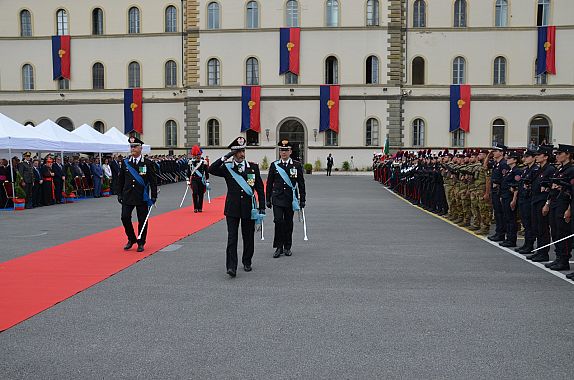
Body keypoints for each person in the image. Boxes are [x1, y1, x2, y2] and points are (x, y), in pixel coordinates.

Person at [208, 136, 265, 277]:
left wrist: (262, 207)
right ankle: (231, 266)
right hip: (232, 209)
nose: (241, 154)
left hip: (249, 208)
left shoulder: (253, 167)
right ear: (233, 153)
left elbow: (259, 187)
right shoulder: (227, 168)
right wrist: (225, 157)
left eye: (243, 151)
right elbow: (211, 169)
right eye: (238, 151)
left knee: (248, 236)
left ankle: (247, 261)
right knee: (232, 238)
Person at [266, 139, 307, 258]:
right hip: (277, 198)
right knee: (278, 221)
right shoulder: (274, 165)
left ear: (290, 151)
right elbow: (269, 183)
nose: (283, 152)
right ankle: (279, 247)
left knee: (288, 223)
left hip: (290, 199)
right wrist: (267, 198)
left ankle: (287, 246)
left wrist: (302, 199)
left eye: (286, 150)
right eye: (281, 150)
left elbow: (301, 183)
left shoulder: (296, 165)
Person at [117, 136, 158, 253]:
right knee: (124, 217)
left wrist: (153, 196)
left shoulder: (147, 163)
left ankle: (141, 241)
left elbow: (153, 181)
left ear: (141, 148)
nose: (133, 148)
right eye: (131, 146)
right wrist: (119, 194)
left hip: (142, 196)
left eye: (135, 146)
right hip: (127, 195)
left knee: (142, 220)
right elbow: (121, 180)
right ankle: (131, 238)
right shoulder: (125, 163)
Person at [526, 145, 556, 263]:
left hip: (543, 202)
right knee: (537, 227)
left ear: (546, 157)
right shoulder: (539, 169)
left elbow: (551, 189)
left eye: (539, 155)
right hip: (535, 200)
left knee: (543, 228)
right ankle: (539, 251)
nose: (537, 157)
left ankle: (544, 253)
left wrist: (547, 204)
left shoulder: (550, 170)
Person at [487, 143, 509, 242]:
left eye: (495, 151)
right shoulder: (497, 163)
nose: (493, 152)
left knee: (501, 213)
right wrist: (488, 155)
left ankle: (501, 234)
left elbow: (504, 179)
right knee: (497, 213)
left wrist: (500, 192)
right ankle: (498, 232)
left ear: (501, 152)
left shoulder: (504, 164)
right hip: (495, 191)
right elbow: (485, 166)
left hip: (499, 191)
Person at [187, 145, 209, 213]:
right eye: (196, 155)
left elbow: (206, 172)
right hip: (194, 179)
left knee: (201, 193)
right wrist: (187, 180)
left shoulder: (204, 162)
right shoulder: (191, 162)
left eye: (198, 155)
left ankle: (200, 207)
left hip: (201, 179)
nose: (197, 156)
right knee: (195, 192)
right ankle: (195, 207)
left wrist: (207, 181)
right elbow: (188, 172)